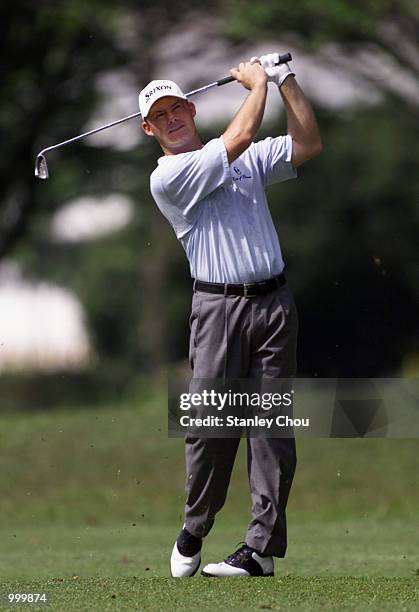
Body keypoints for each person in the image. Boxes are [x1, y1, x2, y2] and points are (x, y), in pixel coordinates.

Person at [139, 53, 322, 578]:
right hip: (218, 309)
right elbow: (237, 139)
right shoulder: (169, 176)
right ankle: (195, 527)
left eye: (178, 108)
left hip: (274, 304)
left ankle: (260, 550)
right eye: (161, 115)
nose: (173, 118)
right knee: (212, 428)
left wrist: (286, 81)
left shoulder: (239, 155)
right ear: (150, 129)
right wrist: (256, 83)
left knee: (270, 428)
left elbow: (308, 144)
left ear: (192, 110)